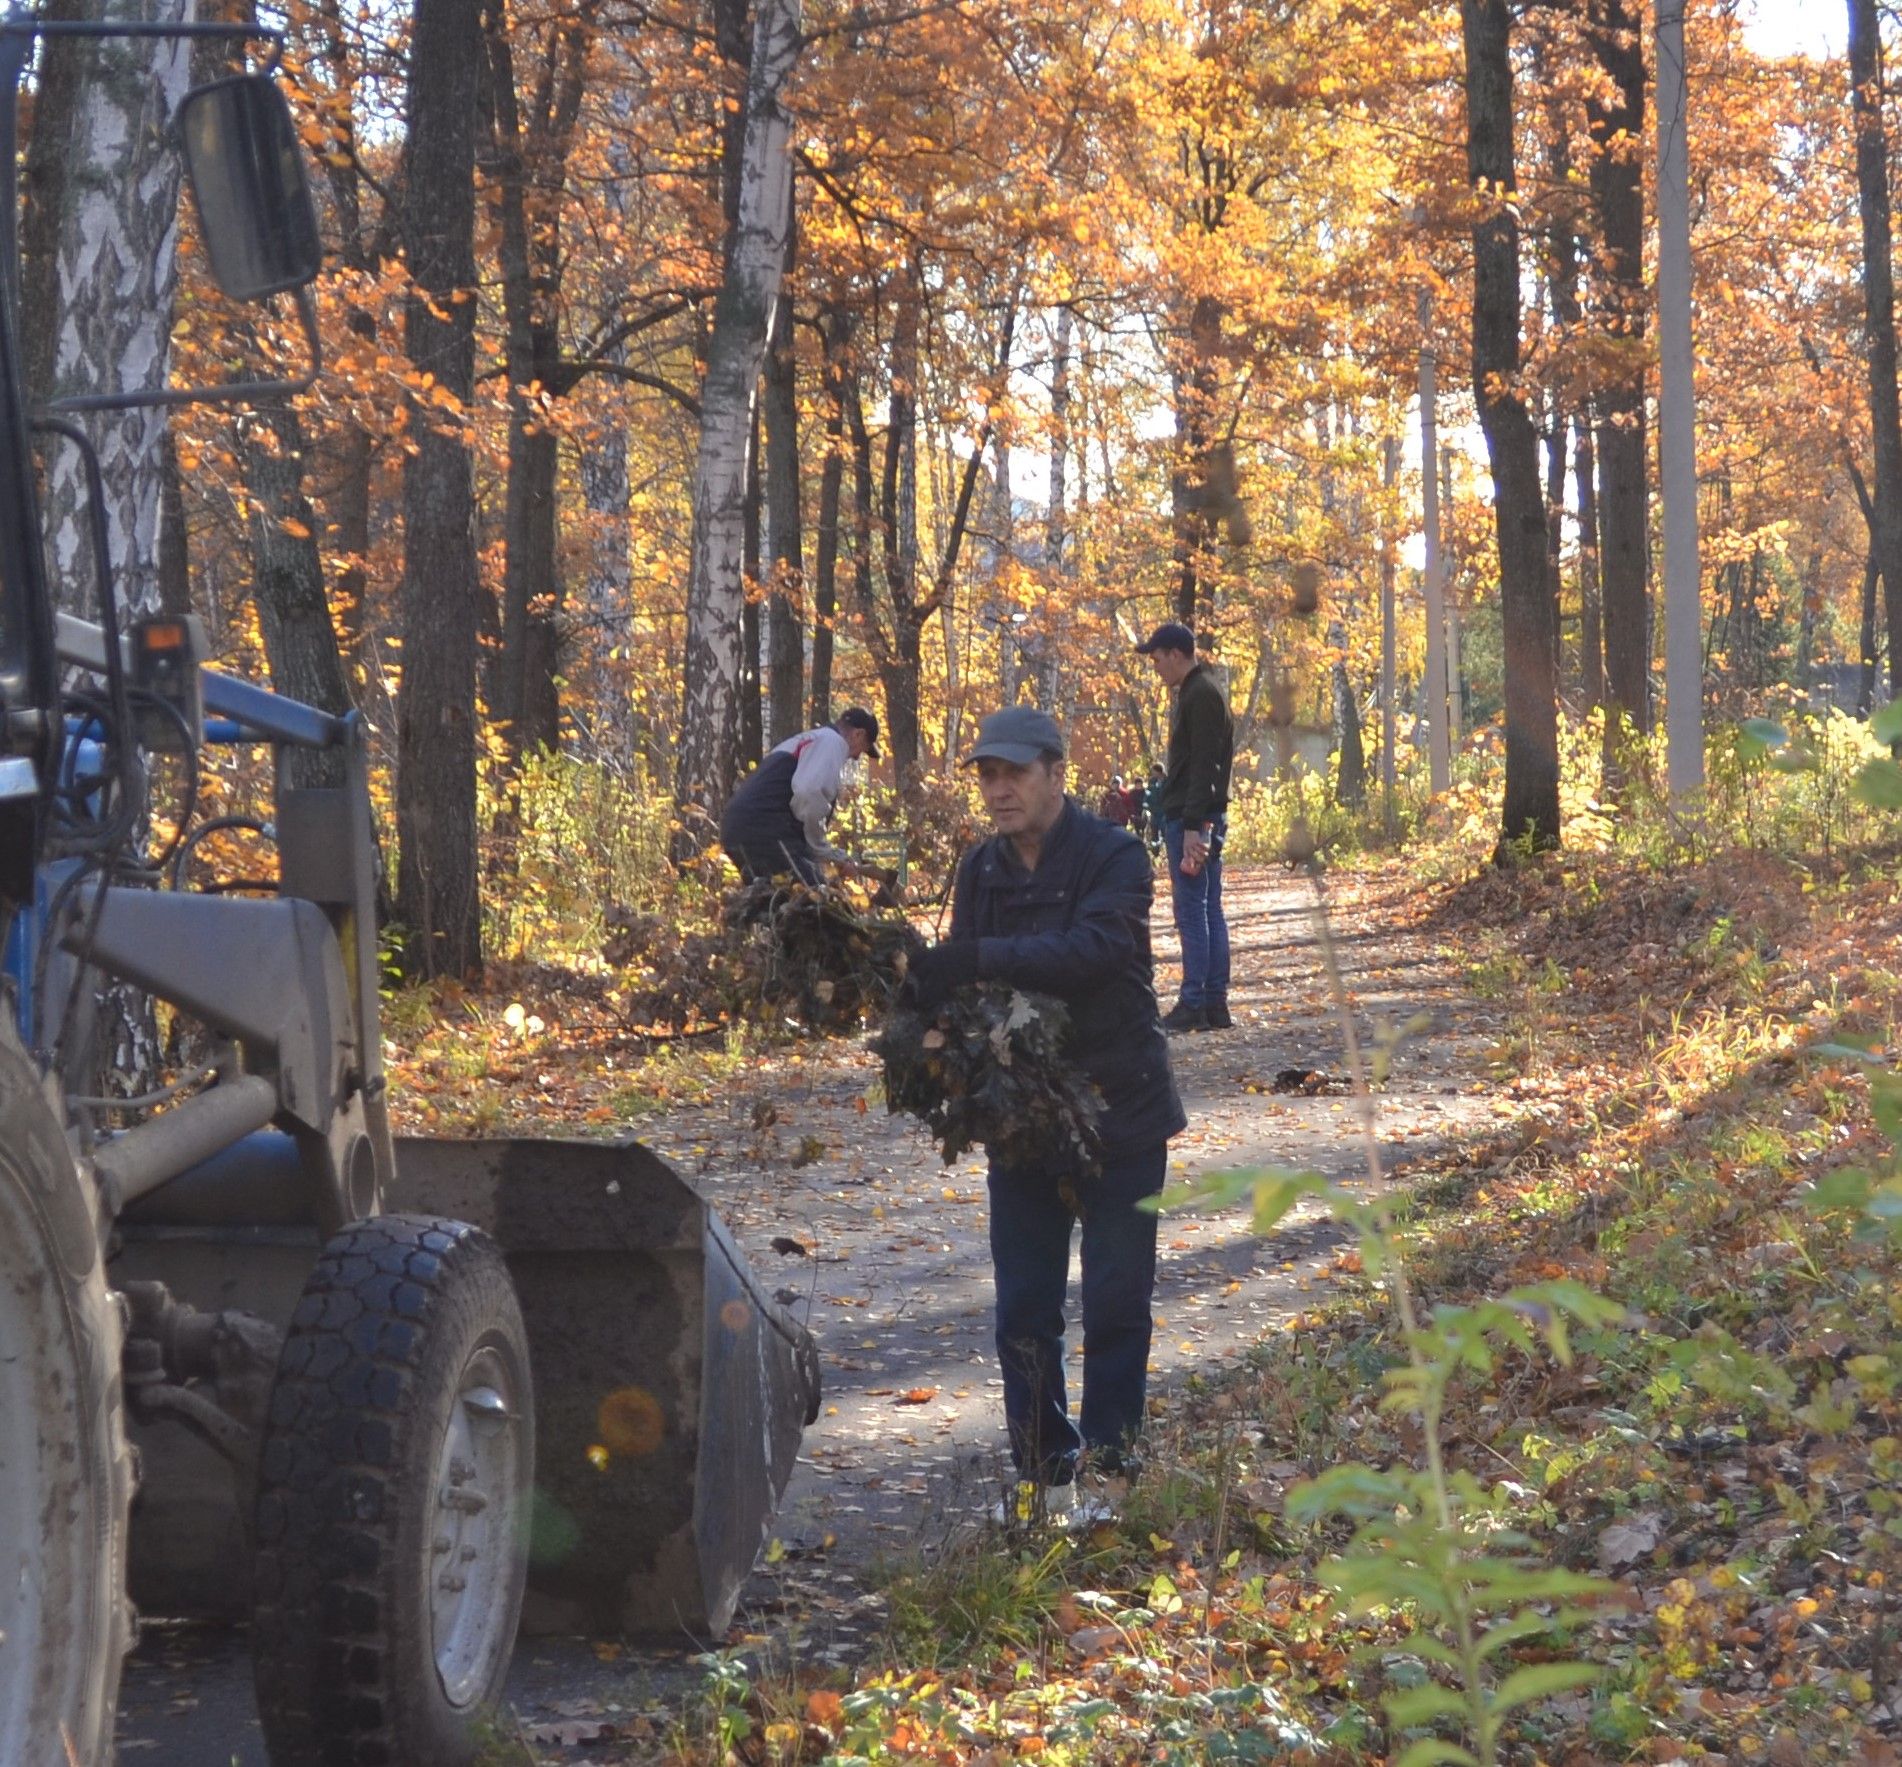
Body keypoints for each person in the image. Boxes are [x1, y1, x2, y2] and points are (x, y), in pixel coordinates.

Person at [907, 706, 1185, 1519]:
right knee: (1025, 1309)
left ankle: (1111, 1470)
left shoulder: (1116, 854)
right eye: (987, 774)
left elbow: (1098, 952)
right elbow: (972, 995)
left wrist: (976, 956)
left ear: (1056, 772)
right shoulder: (980, 870)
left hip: (1121, 1112)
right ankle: (1044, 1474)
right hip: (1024, 1122)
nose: (999, 789)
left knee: (1115, 1301)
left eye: (1015, 772)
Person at [1135, 621, 1234, 1032]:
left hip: (1193, 817)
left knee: (1192, 909)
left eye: (1158, 660)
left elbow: (1204, 764)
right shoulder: (1203, 692)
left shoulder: (1199, 695)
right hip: (1201, 813)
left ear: (1177, 654)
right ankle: (1212, 1002)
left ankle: (1197, 1001)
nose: (1156, 669)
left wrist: (1194, 824)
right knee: (1207, 906)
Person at [719, 707, 880, 884]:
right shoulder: (832, 742)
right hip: (764, 829)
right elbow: (809, 793)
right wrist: (822, 849)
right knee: (813, 895)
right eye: (862, 750)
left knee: (771, 899)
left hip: (737, 826)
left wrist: (834, 857)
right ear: (858, 734)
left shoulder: (809, 740)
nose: (856, 757)